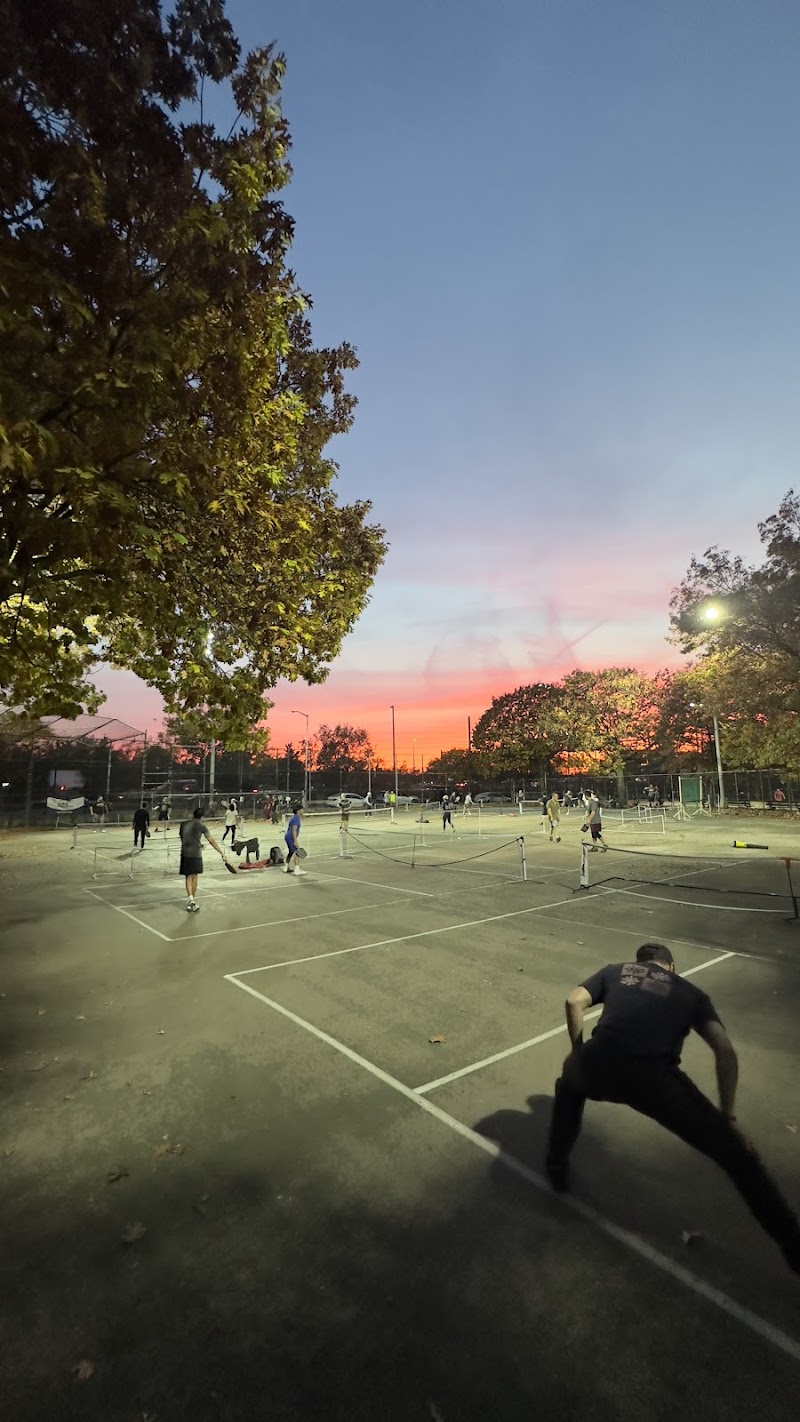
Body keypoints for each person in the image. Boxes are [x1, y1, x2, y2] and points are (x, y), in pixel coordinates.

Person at [545, 942, 800, 1275]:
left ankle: (556, 1167)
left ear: (640, 962)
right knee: (739, 1157)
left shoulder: (616, 971)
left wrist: (578, 1052)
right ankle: (793, 1244)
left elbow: (573, 1000)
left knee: (568, 1087)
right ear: (672, 966)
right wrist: (728, 1118)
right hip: (656, 1082)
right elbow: (724, 1051)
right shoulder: (691, 993)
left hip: (599, 1062)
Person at [178, 807, 225, 912]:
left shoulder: (183, 824)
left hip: (185, 853)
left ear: (193, 814)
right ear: (202, 816)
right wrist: (221, 853)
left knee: (188, 876)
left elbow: (183, 838)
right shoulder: (201, 825)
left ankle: (191, 899)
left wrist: (197, 844)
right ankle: (192, 901)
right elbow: (211, 840)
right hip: (196, 854)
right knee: (194, 876)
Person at [284, 803, 305, 874]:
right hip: (290, 837)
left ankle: (286, 867)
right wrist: (295, 841)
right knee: (297, 852)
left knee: (291, 852)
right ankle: (297, 870)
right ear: (298, 811)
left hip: (288, 837)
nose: (303, 810)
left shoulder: (295, 817)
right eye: (302, 809)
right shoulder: (296, 819)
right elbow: (294, 830)